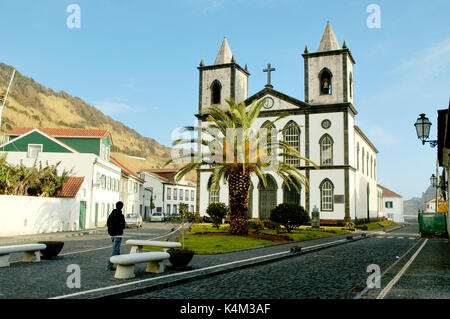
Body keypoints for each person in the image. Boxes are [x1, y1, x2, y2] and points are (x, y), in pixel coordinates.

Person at [106, 201, 126, 271]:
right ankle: (109, 265)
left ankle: (120, 263)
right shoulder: (121, 215)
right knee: (115, 250)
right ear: (122, 207)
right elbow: (123, 226)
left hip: (112, 235)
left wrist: (110, 232)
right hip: (118, 235)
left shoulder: (111, 214)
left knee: (117, 250)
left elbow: (108, 223)